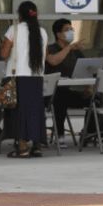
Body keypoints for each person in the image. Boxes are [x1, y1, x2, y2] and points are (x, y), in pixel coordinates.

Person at [1, 1, 47, 158]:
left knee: (19, 112)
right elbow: (47, 57)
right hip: (36, 78)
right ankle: (36, 146)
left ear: (20, 15)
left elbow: (4, 54)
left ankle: (22, 148)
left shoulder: (13, 30)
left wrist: (3, 44)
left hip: (17, 76)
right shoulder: (43, 32)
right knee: (35, 112)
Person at [44, 18, 91, 149]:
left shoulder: (75, 50)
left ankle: (89, 133)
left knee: (94, 100)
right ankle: (60, 135)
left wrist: (89, 87)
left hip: (72, 91)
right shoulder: (50, 49)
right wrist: (69, 47)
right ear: (58, 35)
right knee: (60, 98)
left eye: (71, 29)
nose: (71, 32)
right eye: (67, 30)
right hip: (52, 94)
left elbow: (88, 68)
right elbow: (54, 61)